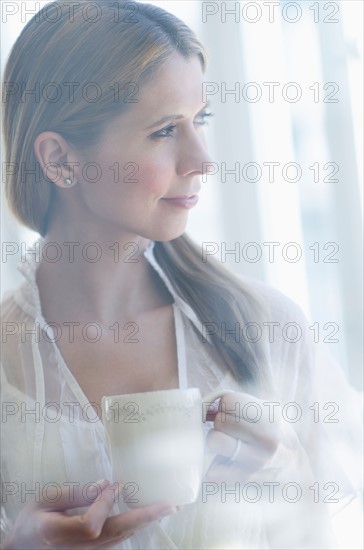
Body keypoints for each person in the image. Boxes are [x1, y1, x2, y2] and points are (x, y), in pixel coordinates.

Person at [0, 1, 362, 548]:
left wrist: (285, 473)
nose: (203, 159)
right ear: (58, 160)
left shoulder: (267, 328)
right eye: (165, 130)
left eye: (201, 120)